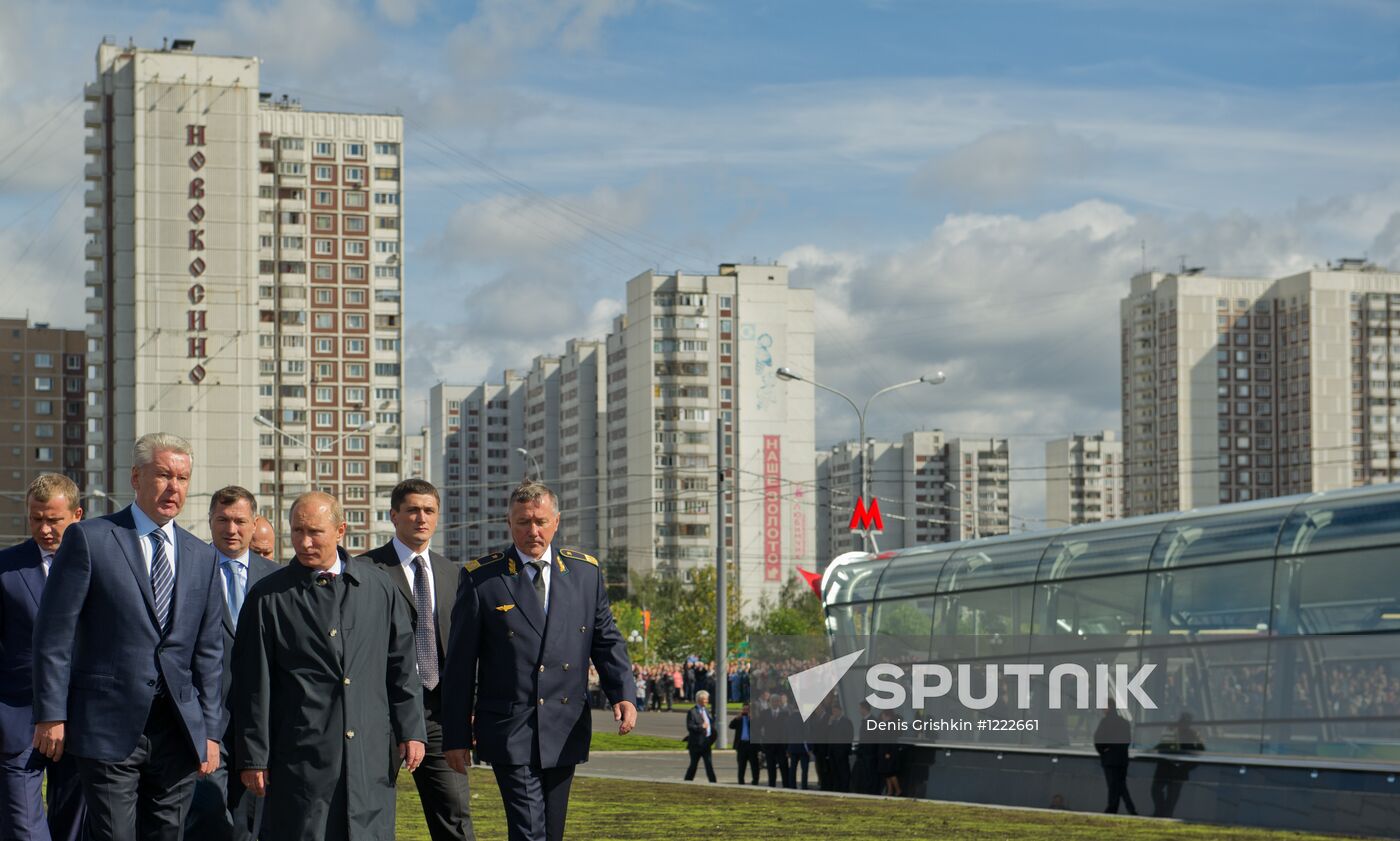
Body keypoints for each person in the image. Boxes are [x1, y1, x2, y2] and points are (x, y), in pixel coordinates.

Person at [32, 433, 225, 841]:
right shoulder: (91, 539)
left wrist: (210, 731)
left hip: (177, 729)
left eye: (183, 478)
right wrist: (51, 713)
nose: (174, 487)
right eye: (163, 475)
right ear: (136, 477)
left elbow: (208, 652)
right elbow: (54, 634)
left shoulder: (202, 556)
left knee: (167, 834)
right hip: (107, 725)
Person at [443, 481, 637, 841]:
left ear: (557, 521)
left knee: (551, 832)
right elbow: (459, 665)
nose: (533, 530)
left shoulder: (585, 573)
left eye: (541, 521)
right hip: (510, 727)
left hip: (564, 726)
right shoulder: (482, 578)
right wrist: (455, 735)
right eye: (523, 522)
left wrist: (623, 692)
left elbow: (606, 639)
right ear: (509, 523)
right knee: (529, 830)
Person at [230, 491, 425, 841]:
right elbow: (251, 685)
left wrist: (411, 730)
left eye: (315, 532)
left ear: (340, 531)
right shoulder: (268, 597)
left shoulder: (379, 587)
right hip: (300, 758)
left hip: (369, 757)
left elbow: (401, 665)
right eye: (297, 531)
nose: (304, 542)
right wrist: (253, 758)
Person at [360, 479, 477, 841]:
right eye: (412, 510)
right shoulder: (365, 571)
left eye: (428, 511)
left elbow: (466, 648)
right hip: (382, 715)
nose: (421, 518)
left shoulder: (455, 574)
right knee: (368, 813)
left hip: (439, 716)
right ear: (394, 516)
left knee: (455, 818)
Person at [184, 487, 278, 841]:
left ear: (254, 524)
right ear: (210, 521)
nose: (231, 529)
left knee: (252, 820)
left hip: (262, 720)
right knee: (208, 815)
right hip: (207, 718)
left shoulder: (276, 579)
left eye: (240, 521)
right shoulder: (187, 571)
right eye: (222, 520)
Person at [0, 474, 87, 841]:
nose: (45, 529)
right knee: (23, 828)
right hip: (17, 718)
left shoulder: (99, 566)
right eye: (37, 519)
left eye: (54, 519)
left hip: (82, 719)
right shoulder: (6, 567)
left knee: (73, 828)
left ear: (77, 515)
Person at [1150, 712, 1204, 818]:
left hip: (1177, 771)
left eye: (1185, 722)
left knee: (1172, 797)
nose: (1183, 724)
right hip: (1166, 768)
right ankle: (1160, 813)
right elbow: (1162, 745)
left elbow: (1199, 751)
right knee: (1156, 790)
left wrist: (1186, 766)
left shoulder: (1191, 735)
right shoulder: (1171, 731)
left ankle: (1164, 815)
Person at [1093, 701, 1137, 815]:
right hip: (1122, 759)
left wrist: (1103, 751)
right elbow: (1127, 741)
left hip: (1110, 760)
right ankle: (1128, 808)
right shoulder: (1124, 723)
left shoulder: (1105, 722)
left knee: (1114, 785)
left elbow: (1098, 740)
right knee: (1120, 785)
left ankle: (1113, 808)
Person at [682, 690, 717, 783]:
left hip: (706, 743)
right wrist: (701, 727)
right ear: (700, 700)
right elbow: (690, 727)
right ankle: (687, 781)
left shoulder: (706, 710)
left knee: (709, 764)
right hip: (696, 744)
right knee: (693, 765)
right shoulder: (692, 712)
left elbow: (710, 723)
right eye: (705, 699)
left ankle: (713, 782)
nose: (707, 701)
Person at [728, 704, 760, 784]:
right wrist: (737, 718)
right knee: (741, 765)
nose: (745, 711)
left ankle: (755, 781)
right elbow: (731, 726)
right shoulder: (739, 719)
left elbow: (758, 730)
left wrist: (751, 719)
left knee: (754, 765)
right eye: (744, 710)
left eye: (747, 710)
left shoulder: (754, 719)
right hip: (741, 745)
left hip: (751, 746)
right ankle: (741, 781)